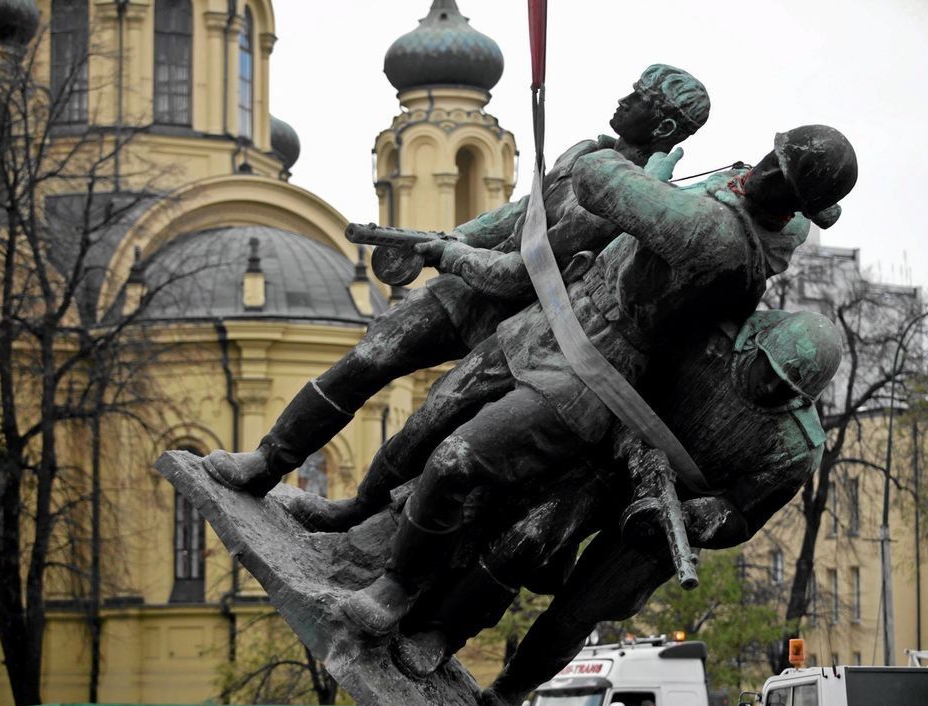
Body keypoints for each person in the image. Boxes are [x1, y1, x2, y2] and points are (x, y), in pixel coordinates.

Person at [338, 126, 858, 640]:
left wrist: (650, 174)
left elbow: (595, 179)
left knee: (457, 460)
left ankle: (398, 587)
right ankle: (359, 516)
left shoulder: (716, 233)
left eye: (779, 177)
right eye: (771, 156)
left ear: (793, 207)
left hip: (593, 367)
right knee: (433, 415)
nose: (761, 169)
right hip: (550, 319)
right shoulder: (768, 220)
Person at [200, 65, 711, 503]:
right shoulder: (586, 151)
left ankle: (359, 514)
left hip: (527, 324)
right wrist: (445, 238)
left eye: (639, 99)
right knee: (371, 356)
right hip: (470, 286)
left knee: (431, 425)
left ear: (663, 125)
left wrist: (447, 253)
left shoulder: (629, 199)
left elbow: (523, 271)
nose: (624, 100)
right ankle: (267, 464)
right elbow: (518, 216)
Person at [474, 309, 844, 706]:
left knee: (579, 611)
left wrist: (697, 517)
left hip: (665, 528)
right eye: (770, 369)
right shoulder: (712, 333)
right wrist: (634, 447)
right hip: (610, 461)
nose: (771, 385)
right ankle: (450, 626)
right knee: (526, 537)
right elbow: (634, 373)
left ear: (802, 397)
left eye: (786, 387)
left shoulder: (799, 446)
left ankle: (513, 687)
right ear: (756, 345)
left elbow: (744, 514)